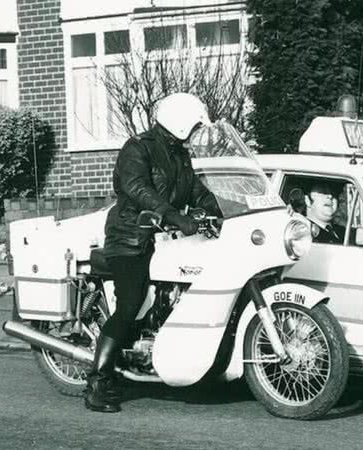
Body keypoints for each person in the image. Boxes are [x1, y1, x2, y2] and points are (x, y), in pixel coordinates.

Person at [86, 93, 221, 413]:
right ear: (181, 122)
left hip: (165, 239)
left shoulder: (179, 154)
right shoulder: (138, 147)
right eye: (195, 126)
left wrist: (219, 212)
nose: (197, 132)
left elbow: (196, 190)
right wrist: (175, 217)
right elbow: (137, 189)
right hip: (130, 237)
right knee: (131, 303)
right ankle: (97, 382)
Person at [304, 181, 346, 245]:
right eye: (323, 191)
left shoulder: (344, 232)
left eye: (333, 193)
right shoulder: (300, 230)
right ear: (307, 200)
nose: (330, 196)